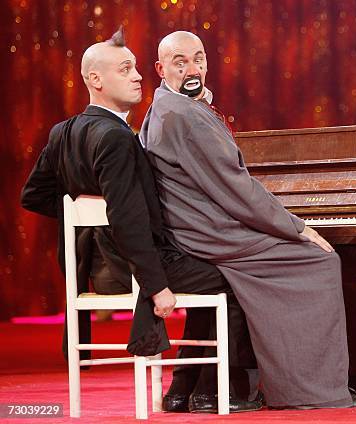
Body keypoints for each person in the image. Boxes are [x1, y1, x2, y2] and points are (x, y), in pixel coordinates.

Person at [20, 28, 260, 413]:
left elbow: (34, 195)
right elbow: (129, 221)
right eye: (125, 69)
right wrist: (155, 285)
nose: (137, 77)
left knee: (210, 271)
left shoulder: (62, 131)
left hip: (100, 268)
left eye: (136, 68)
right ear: (95, 80)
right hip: (133, 266)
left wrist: (89, 215)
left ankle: (184, 390)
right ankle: (214, 391)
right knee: (238, 277)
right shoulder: (116, 138)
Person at [139, 30, 356, 409]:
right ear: (160, 67)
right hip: (210, 233)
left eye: (198, 59)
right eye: (179, 62)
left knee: (304, 258)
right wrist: (296, 226)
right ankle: (316, 389)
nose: (191, 68)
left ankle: (213, 387)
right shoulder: (185, 116)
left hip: (197, 227)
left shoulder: (168, 106)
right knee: (319, 261)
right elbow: (239, 191)